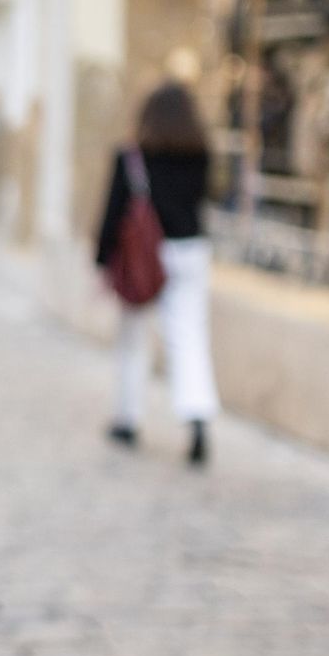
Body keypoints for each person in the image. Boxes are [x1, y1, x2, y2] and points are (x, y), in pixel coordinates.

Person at [95, 82, 220, 466]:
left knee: (133, 336)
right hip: (191, 250)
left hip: (145, 256)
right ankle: (197, 415)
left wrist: (101, 260)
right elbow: (204, 199)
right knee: (189, 335)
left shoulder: (133, 155)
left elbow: (113, 212)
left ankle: (128, 419)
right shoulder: (199, 153)